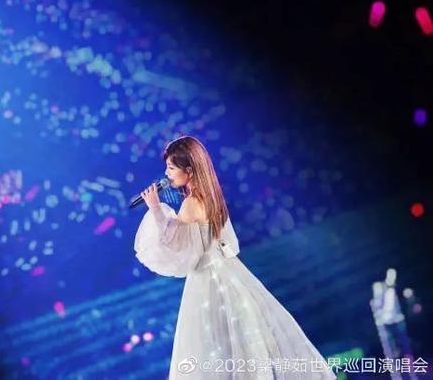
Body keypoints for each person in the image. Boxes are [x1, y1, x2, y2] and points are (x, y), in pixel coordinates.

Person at [134, 136, 336, 379]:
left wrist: (155, 209)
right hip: (229, 275)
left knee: (211, 353)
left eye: (171, 168)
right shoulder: (212, 197)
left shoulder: (191, 204)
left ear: (189, 170)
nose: (167, 174)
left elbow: (172, 246)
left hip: (207, 281)